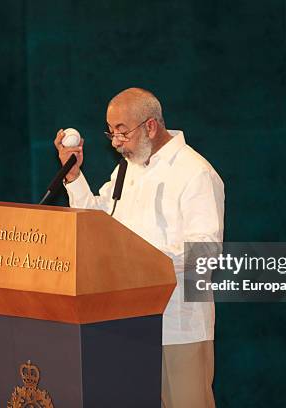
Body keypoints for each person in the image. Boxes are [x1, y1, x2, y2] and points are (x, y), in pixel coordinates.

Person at [53, 87, 224, 408]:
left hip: (178, 323)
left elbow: (207, 251)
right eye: (111, 132)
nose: (115, 142)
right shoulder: (126, 168)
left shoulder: (195, 172)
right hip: (127, 319)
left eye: (122, 131)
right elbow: (97, 220)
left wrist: (142, 261)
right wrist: (74, 176)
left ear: (150, 126)